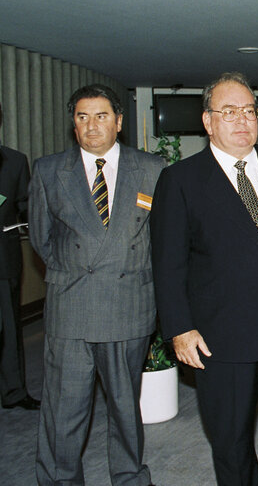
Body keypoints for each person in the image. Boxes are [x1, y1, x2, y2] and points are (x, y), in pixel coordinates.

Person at [150, 72, 258, 486]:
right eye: (229, 112)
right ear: (208, 121)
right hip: (220, 335)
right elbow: (167, 264)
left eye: (249, 111)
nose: (242, 120)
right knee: (230, 441)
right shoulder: (180, 180)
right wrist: (179, 328)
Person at [28, 84, 164, 485]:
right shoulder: (49, 171)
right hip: (71, 308)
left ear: (119, 122)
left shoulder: (152, 169)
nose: (91, 126)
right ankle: (59, 479)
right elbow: (42, 239)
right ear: (73, 124)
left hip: (129, 306)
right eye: (82, 117)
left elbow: (163, 240)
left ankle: (129, 478)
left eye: (101, 116)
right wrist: (73, 270)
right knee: (63, 411)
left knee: (125, 410)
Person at [0, 102, 37, 410]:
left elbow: (27, 206)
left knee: (10, 329)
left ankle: (14, 391)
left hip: (3, 259)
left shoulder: (14, 161)